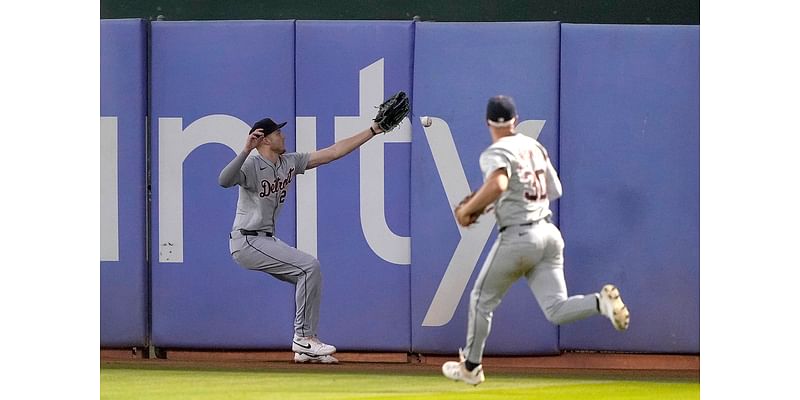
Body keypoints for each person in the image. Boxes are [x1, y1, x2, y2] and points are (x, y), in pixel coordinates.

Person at [441, 95, 630, 385]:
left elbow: (500, 183)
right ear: (515, 120)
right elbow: (555, 189)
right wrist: (502, 200)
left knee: (481, 300)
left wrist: (470, 208)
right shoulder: (534, 146)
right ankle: (598, 303)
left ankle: (471, 366)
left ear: (488, 123)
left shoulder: (495, 151)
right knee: (555, 309)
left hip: (519, 236)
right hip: (549, 234)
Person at [218, 114, 392, 364]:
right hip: (247, 240)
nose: (283, 135)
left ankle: (305, 346)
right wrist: (246, 149)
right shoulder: (251, 165)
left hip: (265, 240)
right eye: (278, 133)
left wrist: (373, 130)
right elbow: (223, 180)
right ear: (264, 139)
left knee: (309, 275)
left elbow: (333, 152)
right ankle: (302, 337)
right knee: (309, 267)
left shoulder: (289, 161)